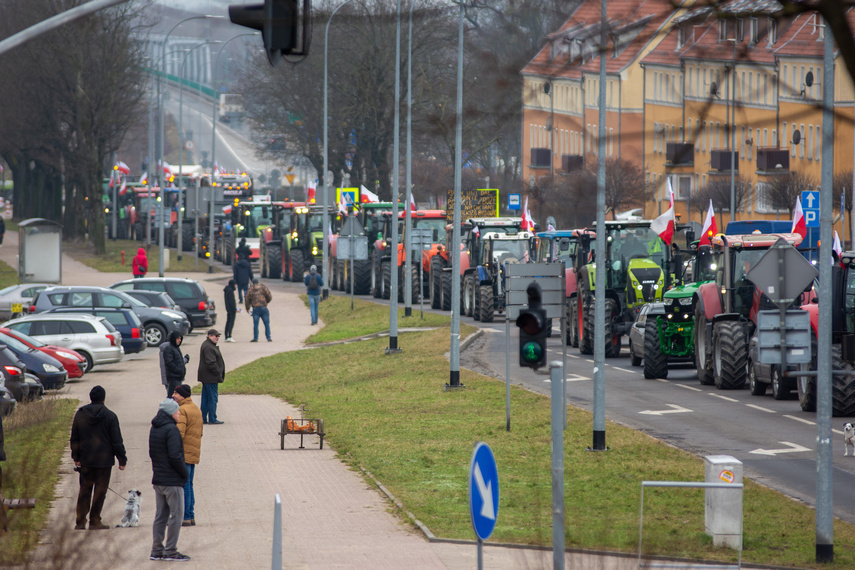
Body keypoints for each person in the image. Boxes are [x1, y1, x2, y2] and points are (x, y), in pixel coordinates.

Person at [70, 385, 127, 530]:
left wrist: (76, 456)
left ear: (91, 397)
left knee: (85, 490)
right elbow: (116, 441)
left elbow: (74, 438)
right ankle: (95, 520)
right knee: (100, 491)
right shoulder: (110, 416)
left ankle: (80, 521)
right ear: (103, 398)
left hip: (86, 460)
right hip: (104, 461)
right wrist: (122, 459)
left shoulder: (80, 414)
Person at [149, 398, 190, 562]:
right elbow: (175, 456)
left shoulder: (155, 428)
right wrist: (184, 473)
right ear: (171, 412)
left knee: (160, 516)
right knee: (176, 516)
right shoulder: (171, 429)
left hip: (158, 479)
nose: (179, 413)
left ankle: (156, 549)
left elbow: (153, 453)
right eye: (177, 411)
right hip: (172, 480)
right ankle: (171, 550)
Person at [172, 385, 202, 527]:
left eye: (176, 393)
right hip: (193, 451)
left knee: (184, 484)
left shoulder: (182, 410)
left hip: (184, 452)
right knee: (189, 483)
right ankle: (190, 515)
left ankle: (185, 515)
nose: (173, 395)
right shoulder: (196, 408)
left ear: (182, 396)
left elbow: (179, 434)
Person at [198, 329, 225, 424]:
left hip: (207, 377)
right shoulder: (209, 347)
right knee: (212, 398)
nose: (217, 337)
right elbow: (211, 363)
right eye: (215, 336)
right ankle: (212, 418)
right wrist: (218, 372)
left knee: (205, 398)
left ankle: (203, 418)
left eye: (218, 336)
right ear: (209, 336)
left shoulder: (208, 345)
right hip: (210, 378)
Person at [159, 331, 189, 397]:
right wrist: (178, 370)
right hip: (173, 378)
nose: (179, 340)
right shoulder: (168, 349)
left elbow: (178, 362)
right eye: (178, 338)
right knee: (173, 397)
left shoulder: (176, 348)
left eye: (180, 339)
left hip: (178, 377)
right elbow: (169, 363)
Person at [245, 278, 273, 342]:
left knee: (255, 324)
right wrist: (266, 302)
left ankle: (255, 338)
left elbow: (247, 299)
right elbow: (269, 296)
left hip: (255, 308)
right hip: (263, 307)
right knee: (266, 323)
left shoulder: (250, 289)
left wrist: (247, 308)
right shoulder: (263, 288)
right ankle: (268, 337)